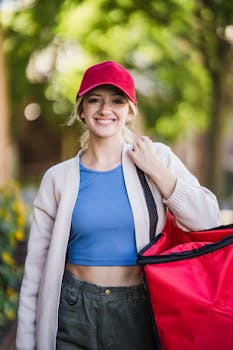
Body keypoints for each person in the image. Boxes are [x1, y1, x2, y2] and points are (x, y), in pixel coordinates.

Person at [16, 60, 220, 350]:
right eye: (95, 100)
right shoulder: (57, 179)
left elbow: (208, 219)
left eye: (117, 100)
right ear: (82, 109)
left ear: (129, 111)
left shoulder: (156, 158)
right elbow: (35, 271)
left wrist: (158, 173)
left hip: (136, 310)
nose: (105, 109)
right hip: (74, 309)